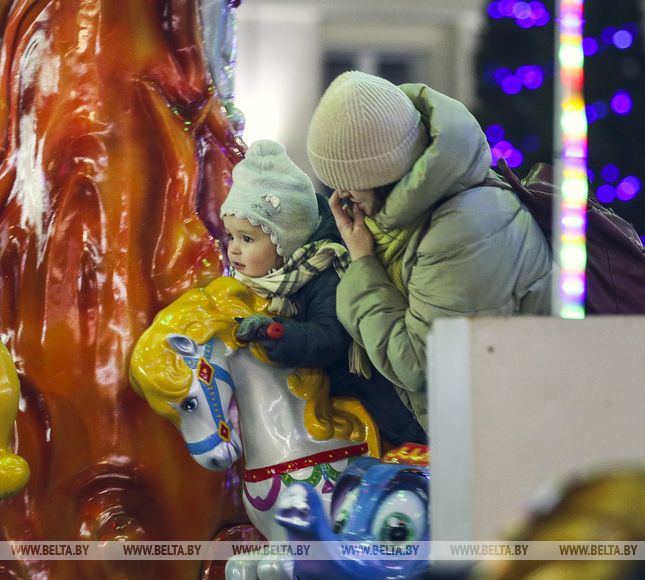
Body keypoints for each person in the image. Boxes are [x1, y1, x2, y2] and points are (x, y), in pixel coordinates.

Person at [306, 71, 553, 432]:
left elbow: (418, 365)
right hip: (478, 429)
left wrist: (362, 264)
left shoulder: (464, 229)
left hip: (504, 442)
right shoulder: (419, 211)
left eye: (350, 184)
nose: (343, 196)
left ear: (384, 175)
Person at [220, 139, 426, 445]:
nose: (233, 249)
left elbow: (329, 337)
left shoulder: (323, 275)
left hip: (353, 392)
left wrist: (277, 332)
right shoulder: (250, 282)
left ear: (284, 243)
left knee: (393, 436)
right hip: (295, 400)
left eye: (247, 239)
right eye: (230, 236)